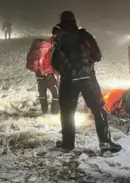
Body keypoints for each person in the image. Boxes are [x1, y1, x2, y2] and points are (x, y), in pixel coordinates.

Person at [51, 11, 121, 153]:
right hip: (88, 78)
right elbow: (97, 56)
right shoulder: (84, 36)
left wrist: (65, 72)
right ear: (74, 20)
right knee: (98, 110)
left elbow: (54, 62)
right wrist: (86, 64)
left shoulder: (59, 38)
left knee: (67, 112)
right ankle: (105, 143)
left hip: (69, 80)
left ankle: (67, 144)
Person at [26, 37, 60, 114]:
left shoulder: (36, 47)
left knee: (42, 94)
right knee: (56, 94)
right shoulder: (50, 47)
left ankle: (44, 111)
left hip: (39, 75)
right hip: (50, 75)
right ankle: (54, 112)